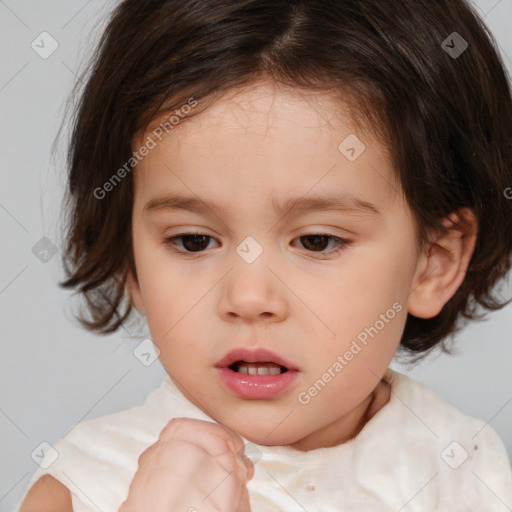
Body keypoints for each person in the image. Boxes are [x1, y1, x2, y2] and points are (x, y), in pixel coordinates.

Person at [17, 0, 512, 510]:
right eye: (193, 240)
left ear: (433, 261)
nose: (249, 298)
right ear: (130, 258)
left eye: (317, 241)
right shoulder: (85, 485)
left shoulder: (463, 472)